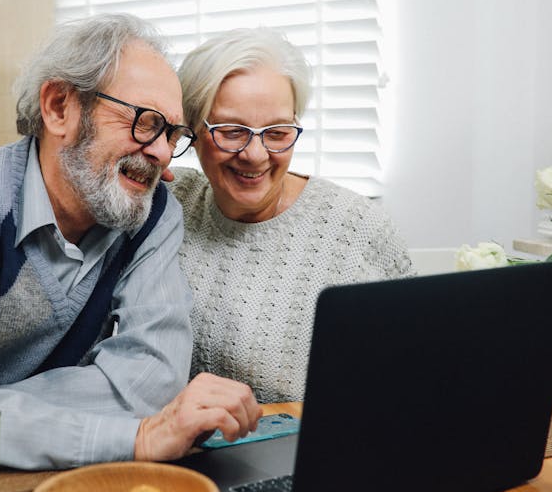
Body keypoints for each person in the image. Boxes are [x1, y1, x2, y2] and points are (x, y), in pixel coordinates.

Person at [0, 14, 260, 466]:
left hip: (18, 463)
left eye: (172, 134)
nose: (160, 152)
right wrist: (131, 437)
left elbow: (153, 378)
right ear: (59, 108)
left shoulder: (152, 213)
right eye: (145, 122)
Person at [170, 27, 413, 402]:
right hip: (182, 447)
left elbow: (412, 368)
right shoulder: (169, 203)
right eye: (232, 132)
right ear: (192, 131)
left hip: (311, 445)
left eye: (278, 132)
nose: (255, 154)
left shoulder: (358, 228)